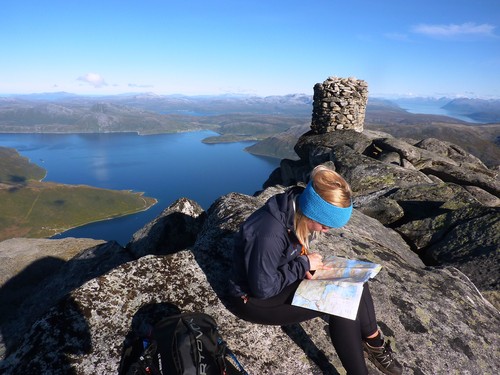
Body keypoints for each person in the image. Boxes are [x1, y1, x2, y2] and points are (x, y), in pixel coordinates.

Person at [227, 165, 403, 375]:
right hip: (252, 300)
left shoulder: (296, 206)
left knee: (356, 284)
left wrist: (302, 263)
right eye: (325, 225)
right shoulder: (268, 233)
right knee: (341, 301)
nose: (326, 231)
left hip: (278, 275)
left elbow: (286, 252)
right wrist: (303, 264)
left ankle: (374, 343)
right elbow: (263, 288)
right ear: (312, 213)